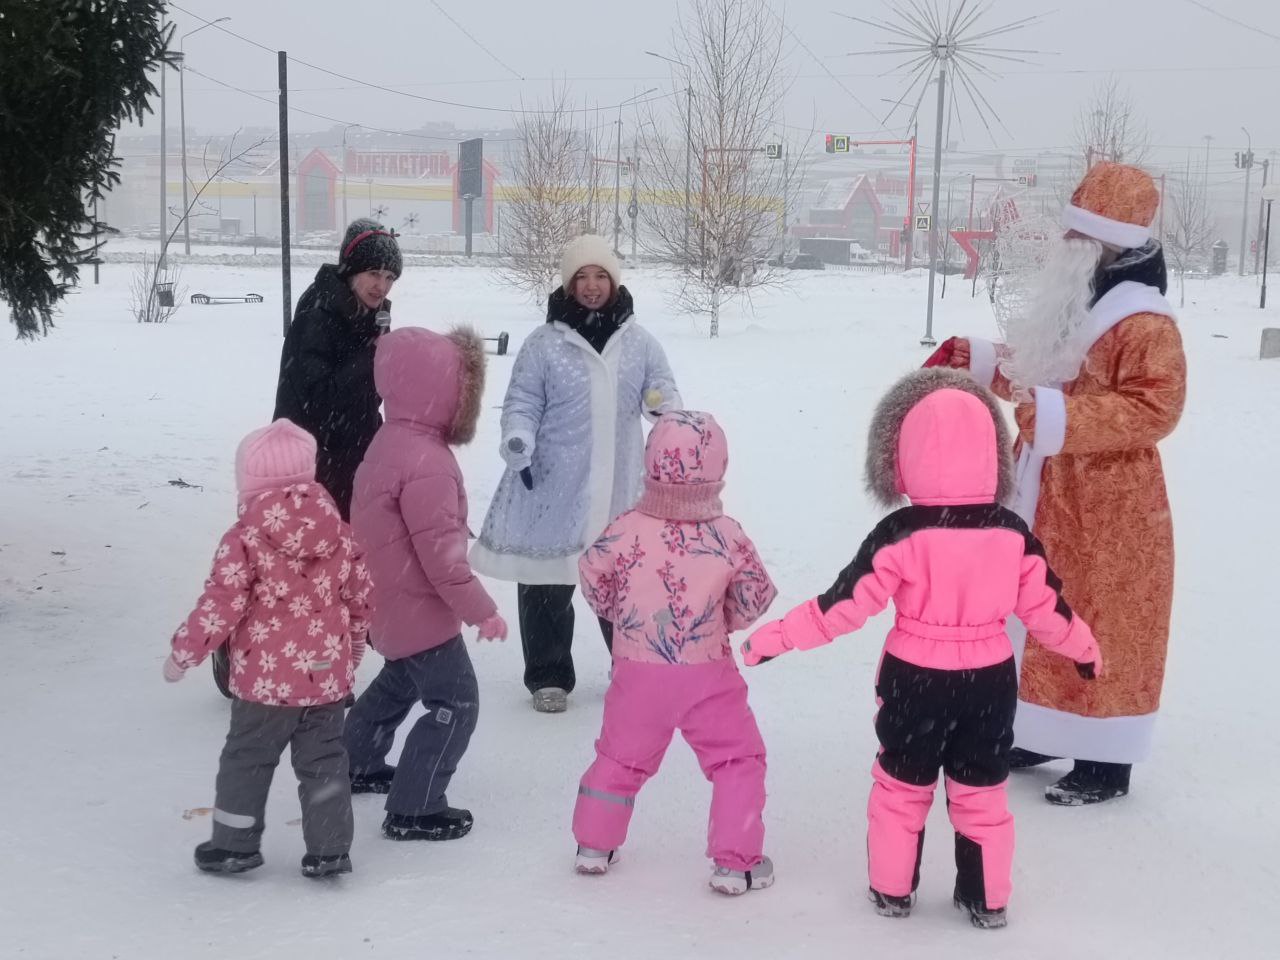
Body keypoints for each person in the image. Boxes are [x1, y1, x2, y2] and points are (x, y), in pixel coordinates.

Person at [741, 370, 1102, 928]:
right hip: (988, 679)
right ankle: (986, 897)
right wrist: (1082, 648)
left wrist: (776, 637)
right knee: (982, 790)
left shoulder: (901, 532)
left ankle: (891, 889)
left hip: (915, 679)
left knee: (901, 786)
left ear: (904, 455)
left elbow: (843, 605)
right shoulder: (1011, 533)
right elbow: (1046, 607)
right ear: (991, 454)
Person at [931, 162, 1186, 805]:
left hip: (1111, 504)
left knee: (1105, 615)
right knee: (1041, 604)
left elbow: (1158, 407)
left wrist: (1058, 416)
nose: (1065, 248)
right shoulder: (1082, 302)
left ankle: (1106, 757)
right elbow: (1039, 375)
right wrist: (978, 358)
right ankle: (1042, 725)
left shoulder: (1145, 323)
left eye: (1079, 238)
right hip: (1049, 490)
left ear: (1107, 244)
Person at [471, 235, 681, 713]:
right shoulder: (544, 344)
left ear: (614, 281)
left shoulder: (640, 343)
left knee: (625, 584)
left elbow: (663, 388)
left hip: (619, 486)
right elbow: (523, 401)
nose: (591, 286)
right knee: (547, 582)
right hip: (554, 483)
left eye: (600, 276)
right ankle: (548, 675)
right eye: (581, 277)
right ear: (568, 284)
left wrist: (661, 404)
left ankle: (632, 667)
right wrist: (519, 437)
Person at [572, 411, 777, 894]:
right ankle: (735, 861)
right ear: (718, 468)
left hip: (637, 671)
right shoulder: (727, 535)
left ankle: (594, 844)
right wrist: (719, 621)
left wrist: (620, 615)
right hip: (706, 672)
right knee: (736, 759)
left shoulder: (625, 528)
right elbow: (756, 594)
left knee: (620, 755)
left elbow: (591, 572)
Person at [162, 419, 373, 878]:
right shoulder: (341, 533)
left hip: (264, 683)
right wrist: (353, 647)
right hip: (325, 677)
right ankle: (330, 848)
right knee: (323, 763)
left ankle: (235, 844)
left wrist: (185, 651)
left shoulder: (244, 538)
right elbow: (360, 598)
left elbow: (221, 604)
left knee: (247, 759)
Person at [344, 326, 507, 842]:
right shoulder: (428, 462)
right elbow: (441, 557)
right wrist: (481, 609)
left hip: (386, 600)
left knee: (399, 682)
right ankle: (415, 805)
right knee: (456, 702)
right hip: (420, 606)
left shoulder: (389, 441)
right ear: (444, 393)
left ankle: (356, 761)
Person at [273, 218, 401, 520]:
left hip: (354, 459)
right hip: (313, 465)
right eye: (373, 273)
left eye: (389, 277)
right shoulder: (317, 316)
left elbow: (368, 396)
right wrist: (371, 359)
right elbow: (316, 401)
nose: (381, 286)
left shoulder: (371, 317)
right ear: (351, 270)